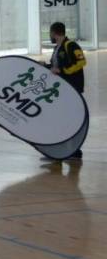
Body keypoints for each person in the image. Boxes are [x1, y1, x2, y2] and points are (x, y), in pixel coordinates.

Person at [47, 21, 87, 160]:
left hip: (72, 89)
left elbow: (81, 62)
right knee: (60, 120)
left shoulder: (71, 45)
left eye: (50, 33)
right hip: (61, 90)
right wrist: (45, 66)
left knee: (71, 121)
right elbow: (54, 67)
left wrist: (64, 71)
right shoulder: (57, 48)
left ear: (55, 33)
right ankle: (61, 151)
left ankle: (75, 151)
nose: (50, 35)